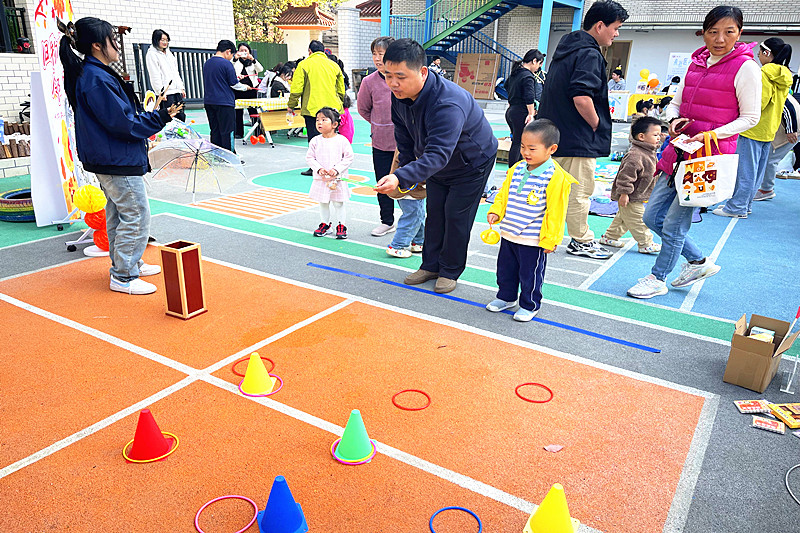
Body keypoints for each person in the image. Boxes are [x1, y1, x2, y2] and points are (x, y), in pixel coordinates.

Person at [627, 6, 761, 299]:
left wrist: (713, 133)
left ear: (740, 33)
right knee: (652, 217)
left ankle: (657, 278)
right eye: (713, 32)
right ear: (704, 32)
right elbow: (676, 102)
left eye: (729, 32)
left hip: (708, 158)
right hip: (678, 153)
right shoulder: (697, 62)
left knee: (674, 224)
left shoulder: (746, 67)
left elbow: (751, 117)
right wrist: (674, 120)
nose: (720, 39)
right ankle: (698, 260)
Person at [60, 17, 182, 295]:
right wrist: (159, 118)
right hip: (116, 158)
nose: (116, 45)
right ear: (96, 46)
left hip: (111, 156)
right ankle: (124, 275)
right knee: (136, 214)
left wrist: (153, 117)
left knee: (119, 214)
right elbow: (122, 123)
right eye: (112, 40)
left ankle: (129, 264)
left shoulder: (94, 74)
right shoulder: (96, 78)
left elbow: (120, 118)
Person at [374, 39, 498, 294]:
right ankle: (430, 265)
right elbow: (405, 138)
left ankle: (450, 271)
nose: (393, 83)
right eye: (388, 75)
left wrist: (400, 177)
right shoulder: (399, 95)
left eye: (400, 76)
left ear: (422, 72)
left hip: (471, 162)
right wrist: (406, 172)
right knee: (435, 213)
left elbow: (439, 153)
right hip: (437, 162)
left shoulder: (446, 103)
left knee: (456, 216)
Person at [538, 0, 629, 260]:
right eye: (616, 27)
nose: (617, 33)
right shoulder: (589, 54)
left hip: (553, 134)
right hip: (577, 137)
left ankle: (541, 233)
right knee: (579, 192)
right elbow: (581, 97)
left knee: (550, 188)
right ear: (600, 26)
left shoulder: (566, 48)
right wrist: (597, 124)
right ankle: (581, 240)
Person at [485, 119, 576, 321]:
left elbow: (556, 211)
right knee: (505, 270)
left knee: (530, 275)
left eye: (532, 148)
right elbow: (503, 194)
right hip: (509, 232)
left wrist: (551, 239)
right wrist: (496, 211)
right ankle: (506, 297)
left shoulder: (555, 177)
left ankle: (530, 304)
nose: (526, 152)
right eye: (523, 146)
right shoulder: (517, 168)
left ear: (551, 149)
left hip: (533, 239)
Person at [713, 37, 793, 217]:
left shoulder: (764, 73)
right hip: (768, 130)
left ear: (767, 53)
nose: (757, 55)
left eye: (760, 52)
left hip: (752, 128)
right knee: (756, 172)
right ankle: (745, 205)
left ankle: (736, 207)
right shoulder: (784, 76)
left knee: (745, 170)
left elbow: (759, 103)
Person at [599, 116, 663, 254]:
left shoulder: (649, 151)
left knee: (623, 218)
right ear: (641, 136)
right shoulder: (635, 155)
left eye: (659, 134)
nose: (659, 137)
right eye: (655, 135)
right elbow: (625, 177)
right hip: (631, 195)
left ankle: (609, 237)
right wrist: (624, 194)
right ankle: (645, 243)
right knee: (639, 220)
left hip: (638, 194)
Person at [357, 36, 398, 237]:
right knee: (383, 183)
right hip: (381, 142)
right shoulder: (369, 82)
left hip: (405, 144)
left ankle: (414, 224)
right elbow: (363, 109)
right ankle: (387, 221)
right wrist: (379, 124)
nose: (377, 58)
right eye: (374, 54)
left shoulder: (401, 77)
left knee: (411, 185)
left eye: (381, 54)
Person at [288, 40, 345, 176]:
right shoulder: (334, 65)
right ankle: (335, 167)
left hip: (312, 109)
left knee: (314, 139)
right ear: (324, 51)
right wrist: (340, 103)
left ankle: (316, 168)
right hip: (332, 110)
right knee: (332, 138)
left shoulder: (304, 65)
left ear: (309, 51)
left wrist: (292, 105)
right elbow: (341, 89)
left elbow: (296, 88)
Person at [306, 107, 354, 240]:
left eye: (323, 120)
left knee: (338, 203)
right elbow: (310, 158)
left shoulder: (342, 140)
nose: (319, 123)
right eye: (317, 120)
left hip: (337, 179)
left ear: (334, 124)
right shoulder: (315, 141)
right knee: (323, 202)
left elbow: (349, 157)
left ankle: (341, 225)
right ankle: (325, 225)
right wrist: (319, 169)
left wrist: (337, 169)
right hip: (321, 179)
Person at [203, 40, 254, 154]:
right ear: (228, 51)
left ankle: (217, 155)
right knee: (227, 131)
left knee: (215, 130)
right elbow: (234, 84)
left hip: (209, 101)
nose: (231, 58)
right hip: (224, 102)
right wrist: (245, 87)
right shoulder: (226, 64)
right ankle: (230, 155)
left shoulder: (207, 63)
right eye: (231, 55)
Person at [754, 93, 800, 200]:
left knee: (770, 158)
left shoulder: (769, 82)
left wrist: (791, 129)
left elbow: (785, 105)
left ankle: (767, 189)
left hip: (793, 125)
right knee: (768, 156)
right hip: (788, 123)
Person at [504, 49, 545, 167]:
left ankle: (516, 167)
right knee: (519, 142)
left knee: (516, 141)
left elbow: (507, 86)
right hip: (521, 112)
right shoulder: (527, 76)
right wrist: (531, 114)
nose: (538, 67)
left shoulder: (515, 73)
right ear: (534, 61)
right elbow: (529, 97)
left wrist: (512, 100)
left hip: (511, 111)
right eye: (539, 63)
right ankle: (513, 169)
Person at [145, 29, 186, 121]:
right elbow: (154, 74)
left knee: (181, 116)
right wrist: (160, 91)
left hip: (176, 91)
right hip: (166, 93)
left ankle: (181, 134)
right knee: (169, 118)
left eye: (166, 40)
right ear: (156, 40)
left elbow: (176, 71)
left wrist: (181, 87)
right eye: (162, 40)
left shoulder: (169, 53)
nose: (165, 42)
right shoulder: (152, 54)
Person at [232, 43, 264, 139]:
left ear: (249, 52)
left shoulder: (252, 62)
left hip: (251, 89)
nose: (243, 53)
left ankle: (258, 132)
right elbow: (230, 68)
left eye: (245, 50)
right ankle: (238, 132)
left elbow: (261, 69)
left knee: (253, 110)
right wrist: (235, 58)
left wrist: (253, 59)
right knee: (238, 112)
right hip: (239, 88)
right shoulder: (236, 62)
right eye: (241, 50)